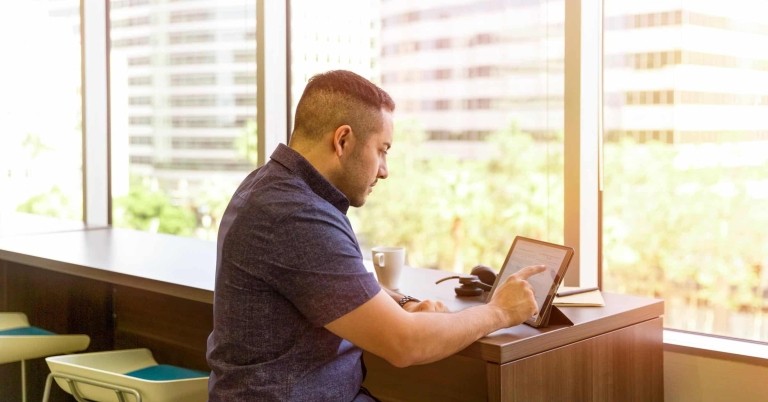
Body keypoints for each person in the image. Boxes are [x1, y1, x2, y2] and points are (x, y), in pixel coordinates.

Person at [206, 70, 545, 401]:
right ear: (343, 141)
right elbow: (404, 344)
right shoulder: (296, 214)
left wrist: (401, 302)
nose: (384, 170)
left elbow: (330, 280)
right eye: (382, 150)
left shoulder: (271, 186)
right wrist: (499, 311)